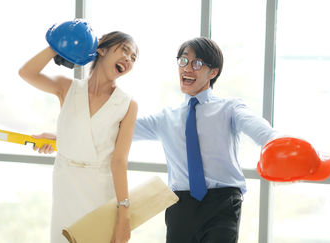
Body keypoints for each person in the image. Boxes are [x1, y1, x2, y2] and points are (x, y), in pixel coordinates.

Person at [35, 37, 279, 243]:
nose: (187, 68)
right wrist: (60, 138)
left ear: (212, 72)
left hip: (222, 202)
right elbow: (111, 130)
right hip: (179, 203)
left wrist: (280, 145)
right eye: (183, 61)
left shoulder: (229, 108)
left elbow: (260, 130)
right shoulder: (166, 118)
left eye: (196, 63)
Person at [19, 30, 138, 243]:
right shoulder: (67, 88)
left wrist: (124, 215)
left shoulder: (127, 104)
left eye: (133, 58)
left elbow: (119, 161)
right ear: (101, 49)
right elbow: (27, 72)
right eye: (125, 51)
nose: (128, 59)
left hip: (101, 192)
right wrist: (59, 43)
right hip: (66, 185)